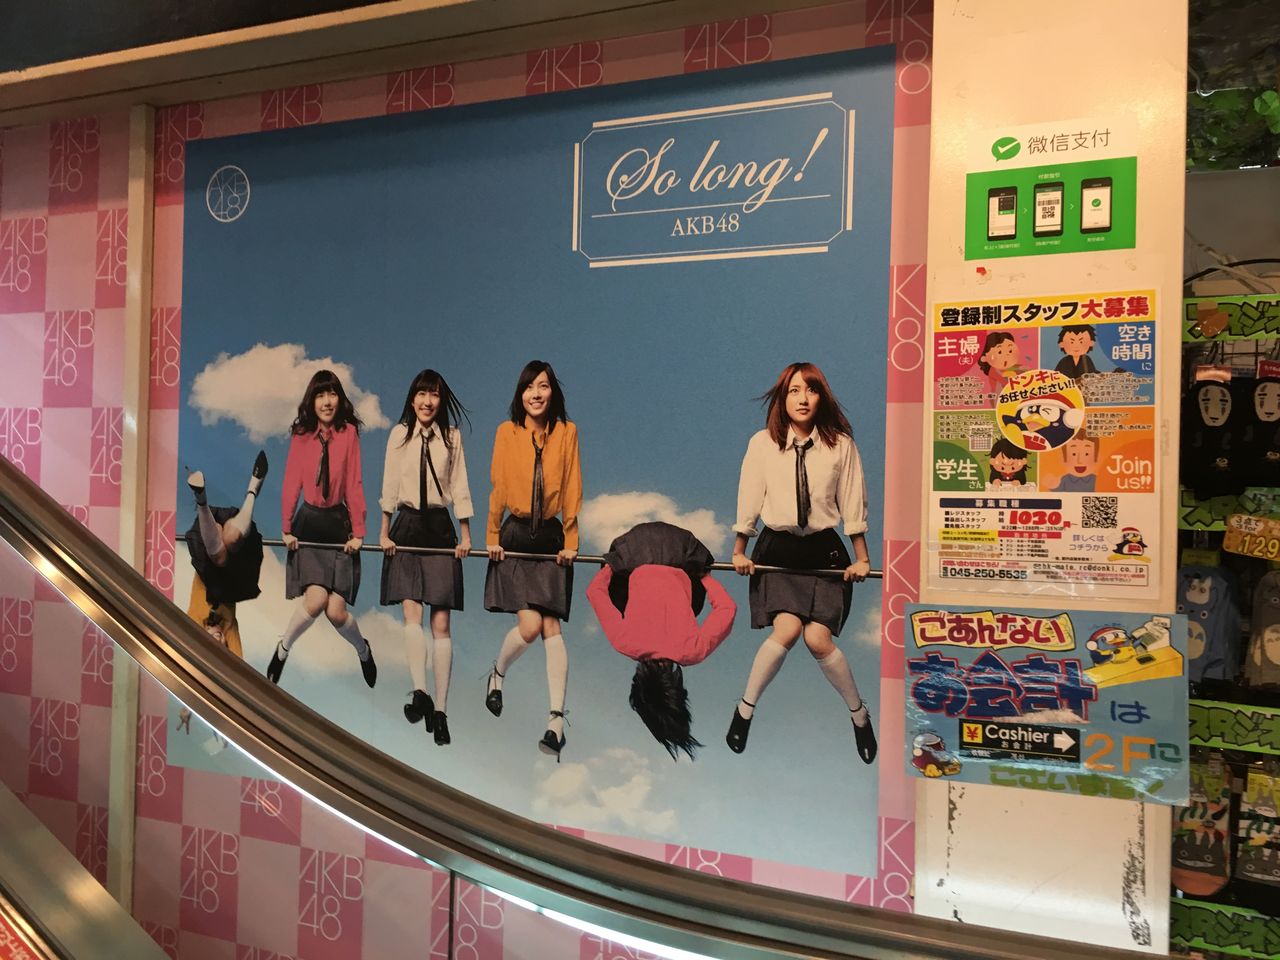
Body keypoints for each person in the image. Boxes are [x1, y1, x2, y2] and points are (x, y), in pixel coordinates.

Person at [728, 361, 876, 764]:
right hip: (778, 549)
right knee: (788, 629)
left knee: (818, 640)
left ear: (821, 397)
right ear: (782, 398)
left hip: (823, 551)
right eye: (794, 390)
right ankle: (744, 711)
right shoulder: (763, 443)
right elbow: (749, 495)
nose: (802, 398)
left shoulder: (840, 445)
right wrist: (740, 550)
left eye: (810, 390)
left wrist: (862, 559)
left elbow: (853, 501)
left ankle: (859, 715)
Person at [483, 361, 582, 760]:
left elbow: (573, 487)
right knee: (530, 626)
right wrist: (492, 536)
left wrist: (572, 539)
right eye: (529, 387)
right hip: (516, 533)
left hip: (552, 536)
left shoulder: (567, 432)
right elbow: (497, 485)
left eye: (543, 386)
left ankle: (556, 722)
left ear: (553, 392)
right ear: (520, 394)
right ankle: (497, 674)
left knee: (552, 626)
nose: (536, 394)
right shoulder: (506, 432)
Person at [585, 521, 737, 760]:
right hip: (634, 546)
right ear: (638, 683)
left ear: (678, 689)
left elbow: (727, 608)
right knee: (619, 598)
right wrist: (611, 566)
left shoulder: (693, 652)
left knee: (693, 607)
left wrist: (704, 575)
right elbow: (595, 591)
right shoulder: (624, 643)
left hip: (684, 549)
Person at [379, 369, 473, 746]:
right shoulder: (399, 434)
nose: (427, 401)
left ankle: (441, 710)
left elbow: (460, 485)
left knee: (441, 622)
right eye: (421, 394)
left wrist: (466, 534)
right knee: (410, 612)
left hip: (439, 526)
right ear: (412, 398)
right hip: (406, 525)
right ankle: (420, 692)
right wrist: (384, 531)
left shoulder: (452, 437)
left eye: (433, 395)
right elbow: (389, 483)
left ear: (441, 400)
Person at [267, 370, 376, 688]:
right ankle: (283, 649)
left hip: (339, 524)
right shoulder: (301, 435)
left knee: (336, 612)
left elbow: (354, 483)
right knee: (315, 601)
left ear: (339, 398)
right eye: (320, 395)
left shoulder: (349, 433)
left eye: (332, 394)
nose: (327, 401)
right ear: (311, 400)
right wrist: (286, 527)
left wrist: (359, 532)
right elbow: (292, 482)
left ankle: (363, 650)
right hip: (310, 524)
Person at [184, 451, 269, 658]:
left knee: (219, 556)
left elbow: (185, 650)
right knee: (231, 538)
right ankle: (253, 490)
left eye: (213, 641)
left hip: (209, 555)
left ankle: (202, 501)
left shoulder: (192, 623)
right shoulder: (230, 628)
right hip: (236, 571)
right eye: (222, 643)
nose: (219, 639)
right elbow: (238, 665)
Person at [975, 332, 1021, 396]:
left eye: (1010, 351)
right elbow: (1006, 384)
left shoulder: (1014, 367)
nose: (1007, 354)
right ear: (984, 358)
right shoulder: (994, 371)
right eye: (1000, 352)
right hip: (1001, 398)